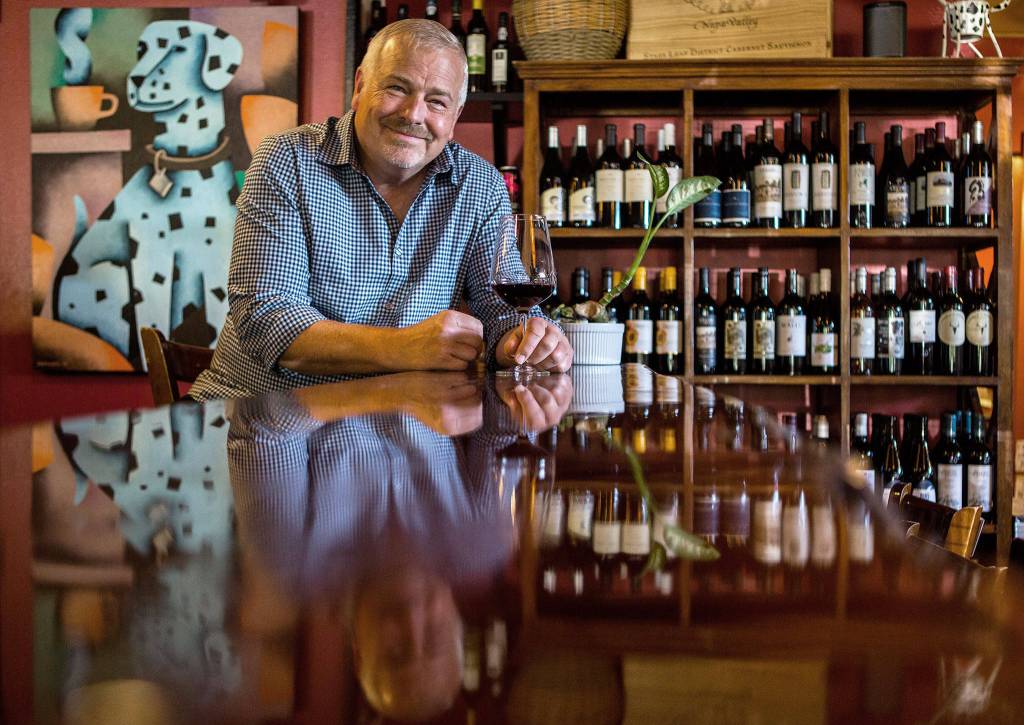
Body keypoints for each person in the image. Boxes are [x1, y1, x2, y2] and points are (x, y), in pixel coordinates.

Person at [189, 19, 572, 401]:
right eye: (396, 88)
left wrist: (526, 340)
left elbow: (499, 311)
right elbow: (267, 318)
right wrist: (406, 347)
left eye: (436, 101)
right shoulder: (288, 160)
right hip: (263, 420)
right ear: (359, 88)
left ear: (454, 118)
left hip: (396, 429)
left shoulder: (480, 185)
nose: (413, 114)